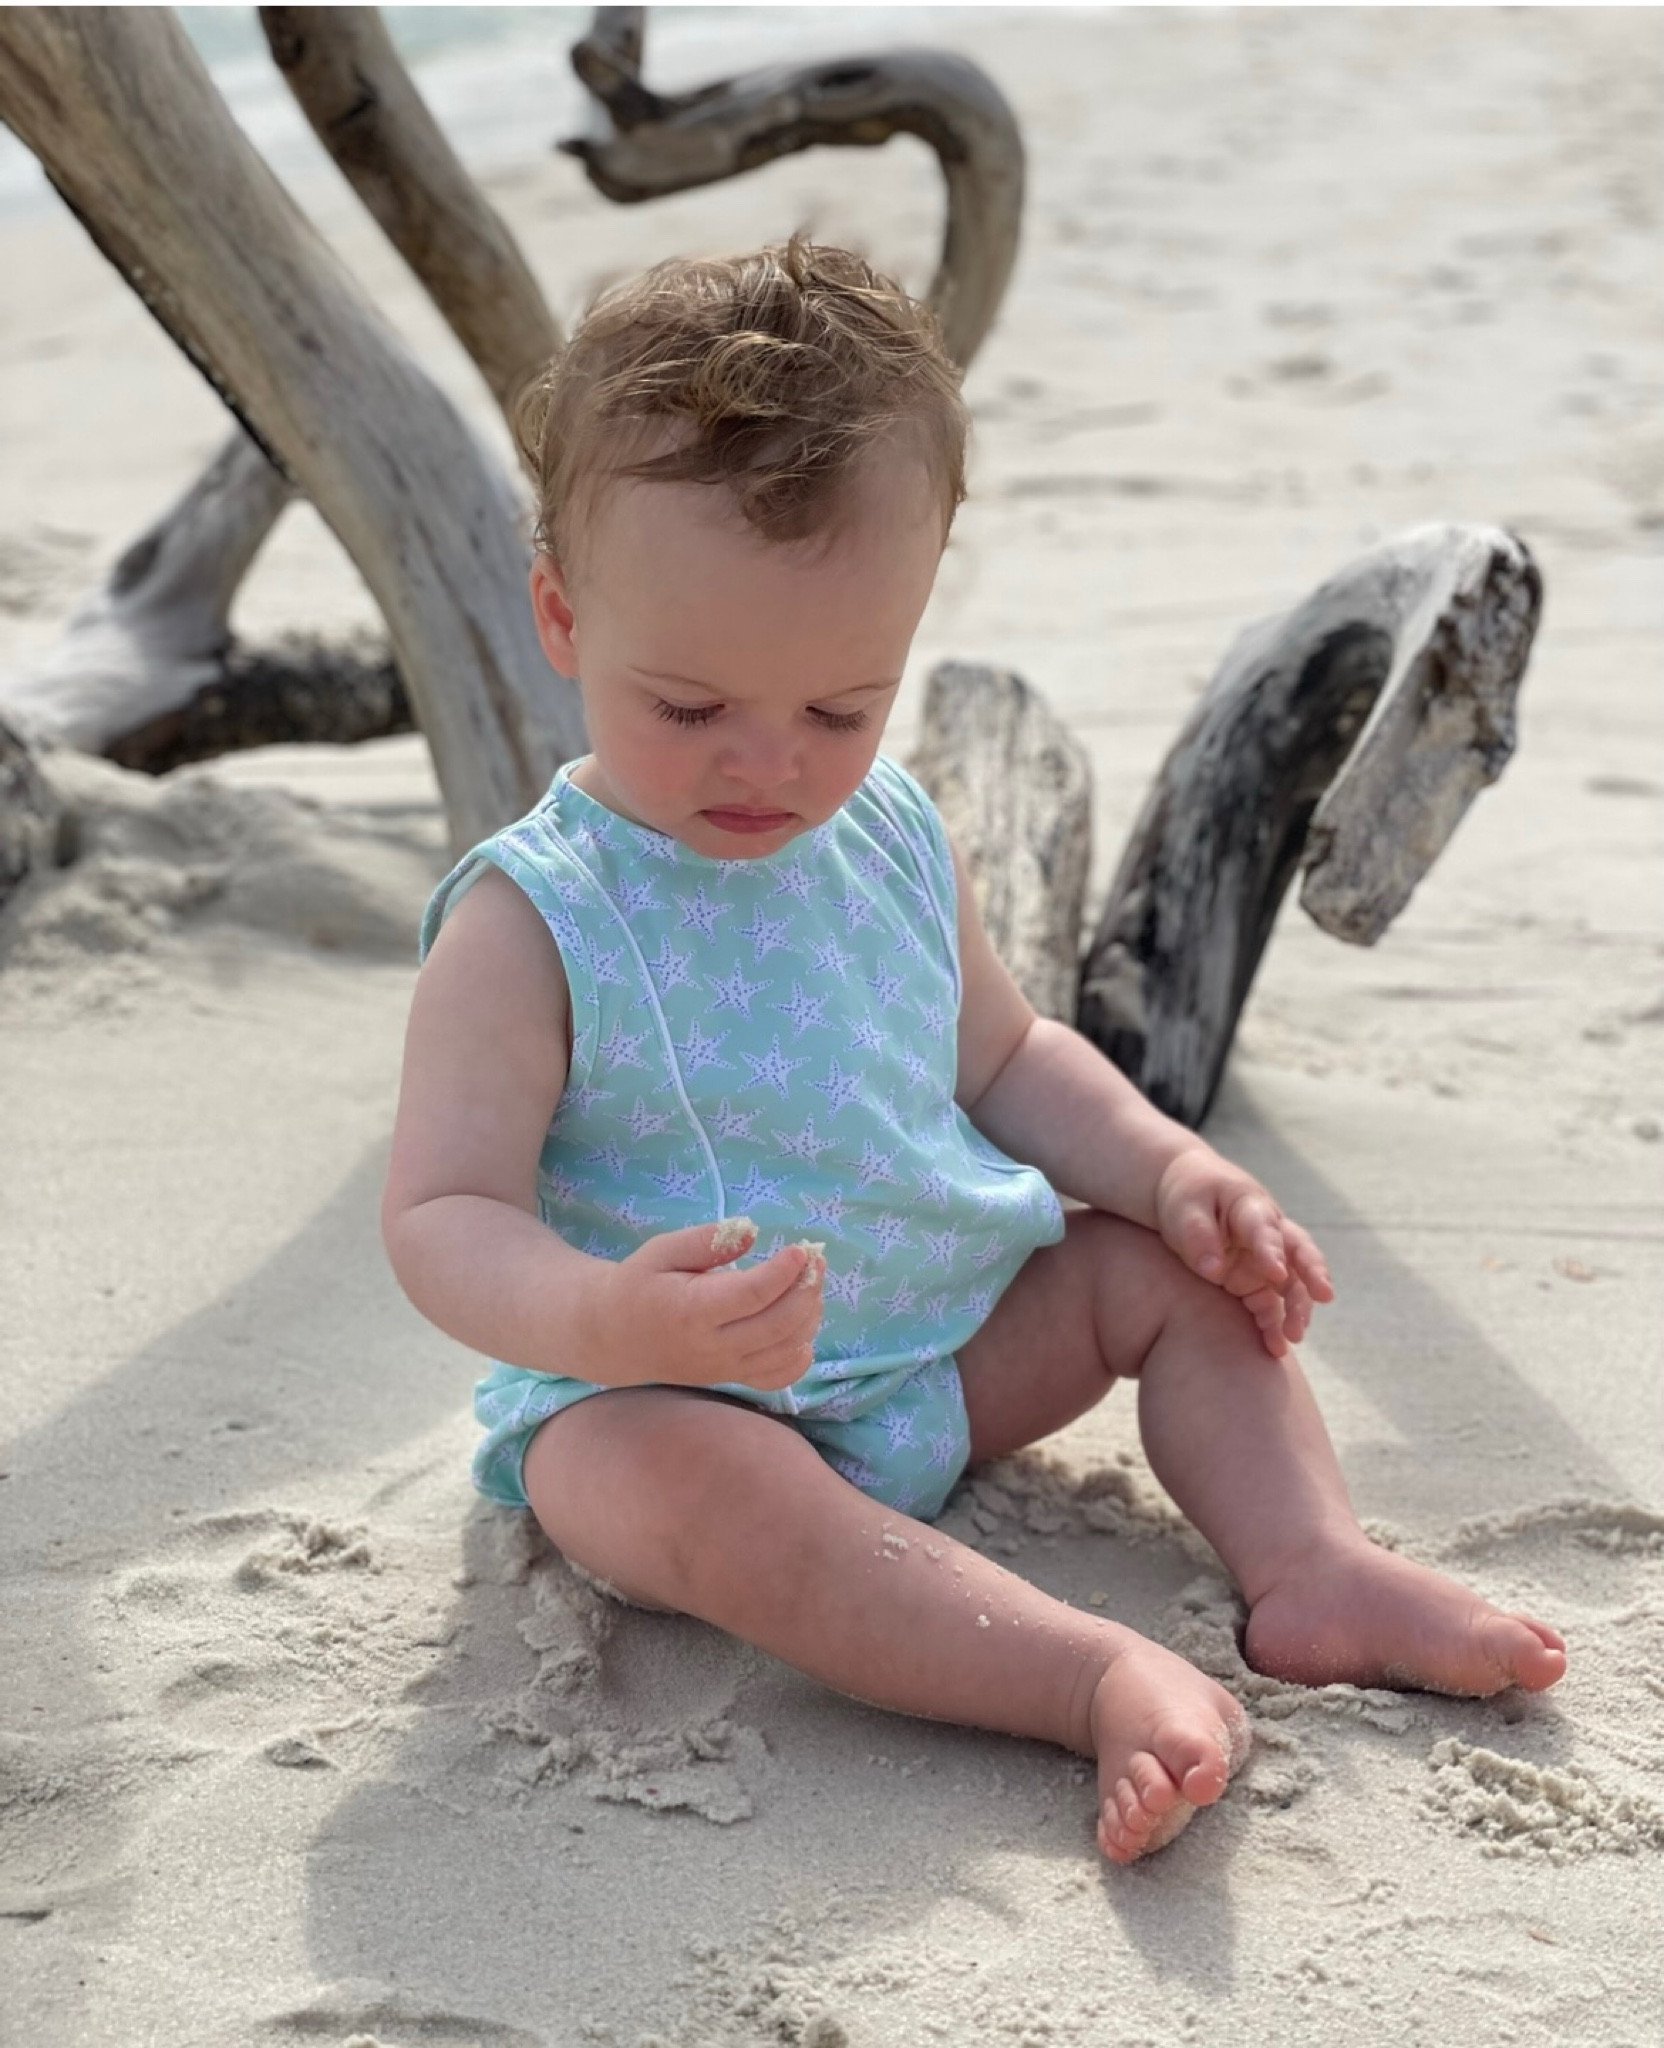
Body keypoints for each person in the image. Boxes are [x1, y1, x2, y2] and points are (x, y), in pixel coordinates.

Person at [380, 236, 1566, 1864]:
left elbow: (1007, 1061)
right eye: (689, 706)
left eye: (839, 708)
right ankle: (1081, 1675)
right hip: (666, 1402)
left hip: (935, 1352)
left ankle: (1311, 1566)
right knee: (719, 1504)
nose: (768, 764)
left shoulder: (886, 833)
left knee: (1171, 1270)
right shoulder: (533, 920)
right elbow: (442, 1218)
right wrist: (604, 1309)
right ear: (562, 617)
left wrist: (1169, 1169)